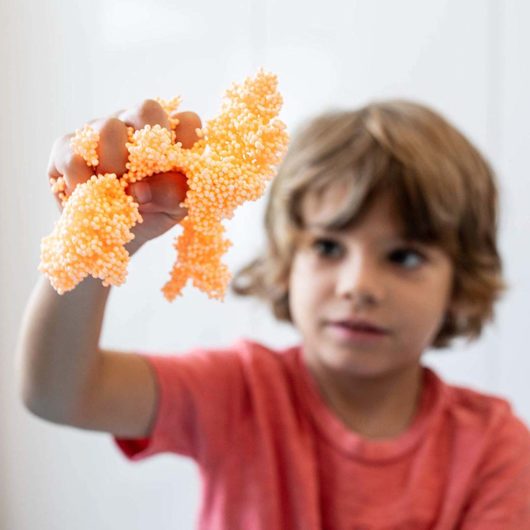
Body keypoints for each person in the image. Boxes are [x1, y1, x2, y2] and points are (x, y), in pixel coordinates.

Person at [16, 97, 530, 529]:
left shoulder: (493, 447)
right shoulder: (240, 393)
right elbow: (61, 393)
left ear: (461, 281)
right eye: (328, 247)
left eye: (405, 256)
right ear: (286, 262)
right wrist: (92, 245)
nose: (358, 286)